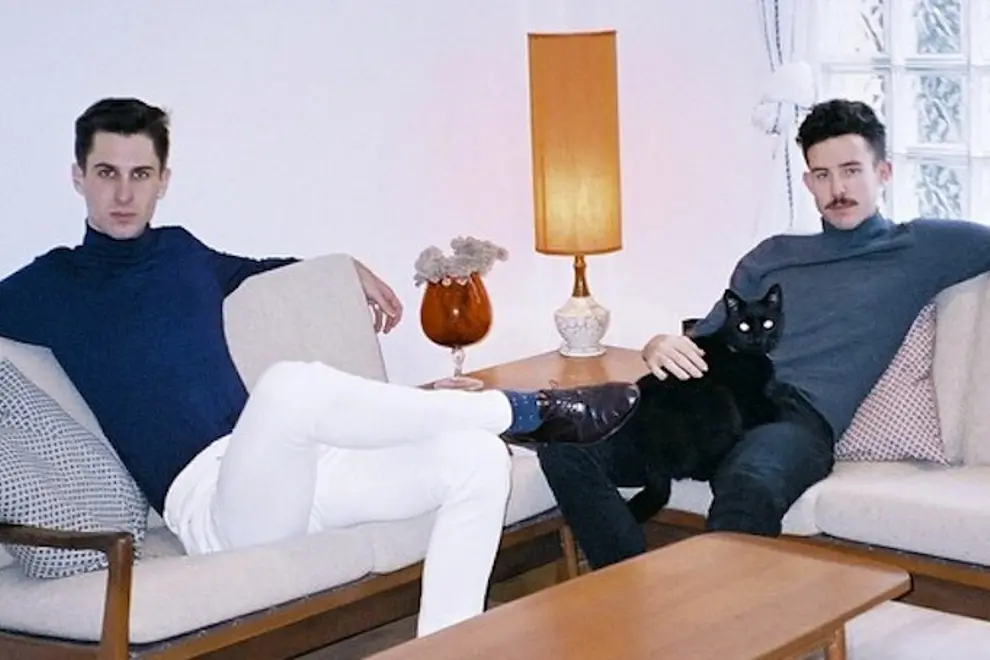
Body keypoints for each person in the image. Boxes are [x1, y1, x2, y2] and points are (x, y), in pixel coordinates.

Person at [0, 97, 640, 635]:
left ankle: (444, 646)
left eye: (140, 174)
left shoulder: (181, 252)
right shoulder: (51, 285)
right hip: (212, 507)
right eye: (106, 172)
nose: (123, 192)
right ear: (78, 176)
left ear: (163, 180)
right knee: (287, 387)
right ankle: (524, 411)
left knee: (476, 461)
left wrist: (344, 269)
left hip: (291, 470)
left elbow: (261, 270)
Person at [537, 98, 990, 570]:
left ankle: (717, 615)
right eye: (822, 175)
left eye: (852, 171)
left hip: (793, 421)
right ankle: (626, 590)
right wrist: (658, 344)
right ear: (808, 183)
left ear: (884, 173)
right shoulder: (771, 255)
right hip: (712, 402)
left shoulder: (919, 248)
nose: (837, 189)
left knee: (748, 485)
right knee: (566, 447)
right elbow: (707, 336)